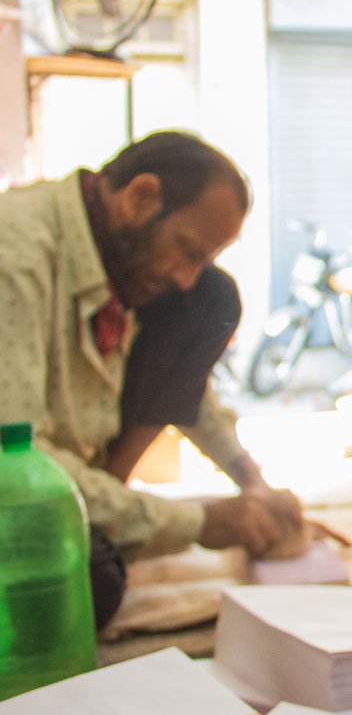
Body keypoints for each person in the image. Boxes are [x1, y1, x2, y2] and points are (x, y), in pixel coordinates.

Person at [0, 131, 304, 627]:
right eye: (187, 251)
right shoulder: (15, 255)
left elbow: (184, 388)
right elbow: (19, 462)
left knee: (212, 298)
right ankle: (107, 523)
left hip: (73, 471)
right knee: (90, 584)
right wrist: (201, 522)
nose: (185, 276)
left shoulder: (121, 256)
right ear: (140, 197)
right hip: (15, 487)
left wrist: (253, 484)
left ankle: (106, 512)